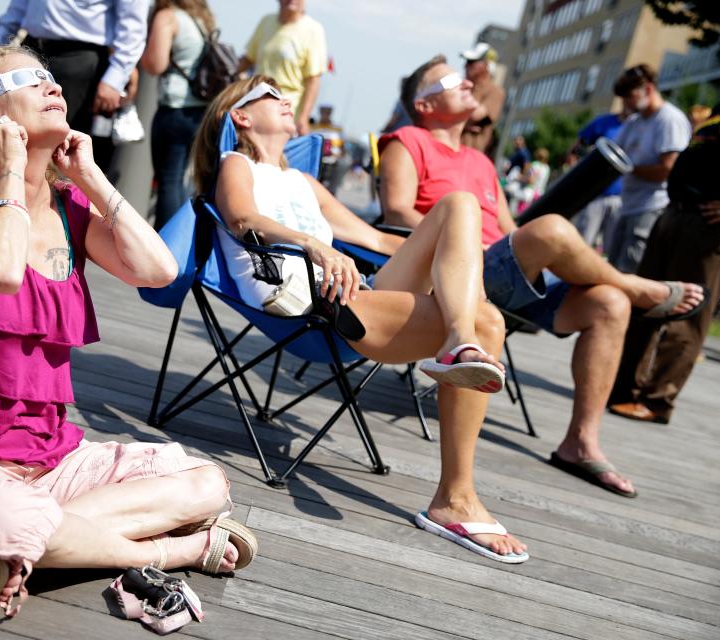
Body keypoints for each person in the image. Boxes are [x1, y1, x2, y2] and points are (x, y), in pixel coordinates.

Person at [0, 45, 255, 617]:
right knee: (17, 518)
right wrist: (14, 170)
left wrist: (92, 179)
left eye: (50, 77)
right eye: (26, 79)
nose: (51, 86)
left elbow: (159, 271)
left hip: (45, 461)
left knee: (205, 483)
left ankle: (0, 546)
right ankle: (176, 550)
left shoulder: (69, 209)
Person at [193, 75, 530, 563]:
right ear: (241, 117)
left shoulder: (302, 181)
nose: (286, 100)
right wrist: (314, 244)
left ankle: (459, 342)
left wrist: (455, 260)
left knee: (460, 207)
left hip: (356, 293)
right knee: (489, 325)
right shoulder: (237, 164)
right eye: (269, 96)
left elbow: (376, 240)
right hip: (315, 307)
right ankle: (454, 499)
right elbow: (243, 219)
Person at [378, 55, 706, 499]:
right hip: (453, 276)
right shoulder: (407, 139)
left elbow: (509, 230)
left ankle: (580, 443)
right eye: (451, 80)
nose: (467, 85)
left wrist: (544, 257)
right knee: (551, 229)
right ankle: (635, 283)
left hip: (503, 273)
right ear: (425, 104)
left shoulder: (479, 160)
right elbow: (397, 211)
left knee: (609, 303)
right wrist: (464, 247)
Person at [609, 44, 720, 424]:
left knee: (689, 313)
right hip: (677, 214)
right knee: (649, 300)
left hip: (713, 226)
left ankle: (657, 399)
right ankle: (623, 388)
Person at [0, 0, 150, 173]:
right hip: (30, 50)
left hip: (78, 60)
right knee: (15, 135)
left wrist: (114, 79)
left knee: (64, 149)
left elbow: (133, 28)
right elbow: (20, 5)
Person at [607, 64, 691, 273]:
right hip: (628, 205)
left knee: (629, 270)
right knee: (612, 269)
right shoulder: (635, 121)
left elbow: (668, 169)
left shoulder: (669, 119)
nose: (626, 102)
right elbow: (616, 151)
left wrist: (629, 168)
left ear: (649, 89)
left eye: (629, 96)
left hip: (650, 207)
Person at [141, 0, 217, 229]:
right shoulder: (202, 20)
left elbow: (155, 64)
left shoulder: (168, 17)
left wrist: (139, 47)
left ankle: (165, 244)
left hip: (175, 108)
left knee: (168, 180)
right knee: (182, 180)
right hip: (199, 112)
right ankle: (180, 242)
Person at [238, 0, 326, 136]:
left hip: (286, 111)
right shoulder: (266, 22)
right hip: (255, 106)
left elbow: (313, 79)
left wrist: (303, 117)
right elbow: (248, 59)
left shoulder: (313, 30)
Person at [570, 109, 630, 251]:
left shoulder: (641, 126)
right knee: (581, 244)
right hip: (595, 194)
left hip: (623, 198)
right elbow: (576, 148)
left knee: (613, 249)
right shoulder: (604, 122)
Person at [459, 42, 504, 159]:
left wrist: (452, 120)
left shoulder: (494, 91)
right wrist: (465, 124)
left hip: (470, 158)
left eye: (471, 62)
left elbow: (475, 115)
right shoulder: (462, 87)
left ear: (487, 65)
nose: (466, 66)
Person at [311, 103, 344, 192]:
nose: (325, 114)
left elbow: (342, 147)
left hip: (331, 162)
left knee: (328, 188)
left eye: (328, 112)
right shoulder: (312, 127)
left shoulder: (337, 129)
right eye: (323, 111)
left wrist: (338, 154)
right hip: (316, 161)